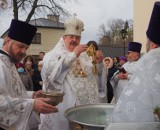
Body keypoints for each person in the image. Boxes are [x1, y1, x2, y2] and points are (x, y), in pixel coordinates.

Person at [39, 17, 107, 130]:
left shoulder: (84, 56)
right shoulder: (53, 55)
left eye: (77, 38)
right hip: (63, 105)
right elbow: (50, 75)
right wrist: (74, 54)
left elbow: (94, 77)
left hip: (82, 107)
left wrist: (98, 63)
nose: (74, 40)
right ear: (64, 38)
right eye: (71, 37)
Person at [107, 1, 160, 128]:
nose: (128, 55)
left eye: (130, 53)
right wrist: (117, 76)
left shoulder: (146, 64)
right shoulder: (128, 64)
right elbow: (114, 77)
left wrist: (128, 77)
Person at [0, 19, 57, 130]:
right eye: (20, 46)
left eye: (26, 48)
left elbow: (11, 92)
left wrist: (32, 96)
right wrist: (31, 104)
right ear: (7, 41)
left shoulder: (10, 62)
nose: (23, 51)